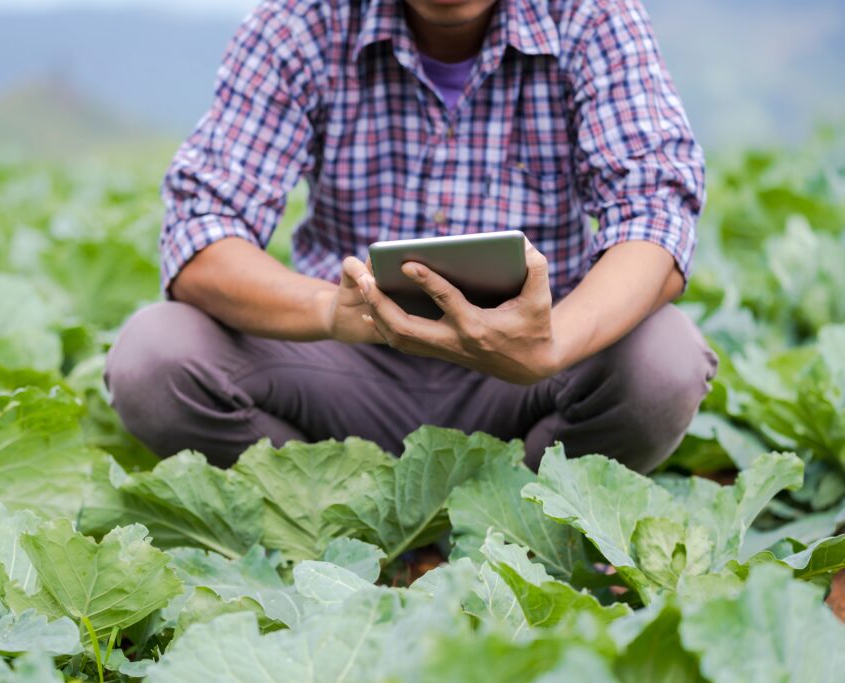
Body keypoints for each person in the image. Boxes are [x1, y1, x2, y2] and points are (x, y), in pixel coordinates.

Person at [105, 0, 718, 472]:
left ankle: (522, 517)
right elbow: (201, 228)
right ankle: (331, 510)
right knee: (155, 355)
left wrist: (555, 343)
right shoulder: (301, 23)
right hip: (342, 369)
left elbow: (654, 212)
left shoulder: (591, 16)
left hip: (528, 372)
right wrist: (328, 309)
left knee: (662, 363)